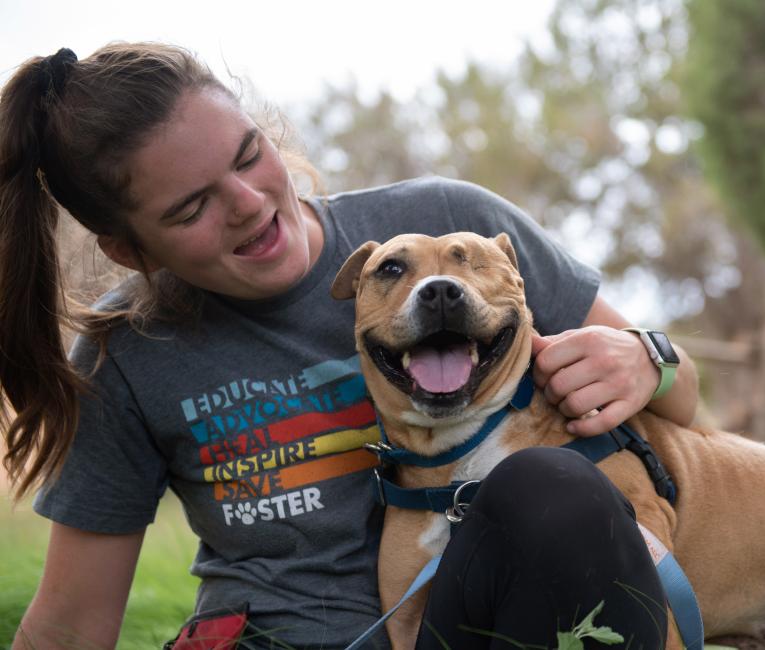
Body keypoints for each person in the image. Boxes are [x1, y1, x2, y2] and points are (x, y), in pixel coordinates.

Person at [0, 43, 699, 649]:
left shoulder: (454, 227)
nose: (246, 201)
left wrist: (651, 358)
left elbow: (680, 404)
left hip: (488, 624)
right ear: (128, 250)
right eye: (192, 207)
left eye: (249, 156)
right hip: (279, 637)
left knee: (555, 487)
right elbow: (71, 622)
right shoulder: (131, 353)